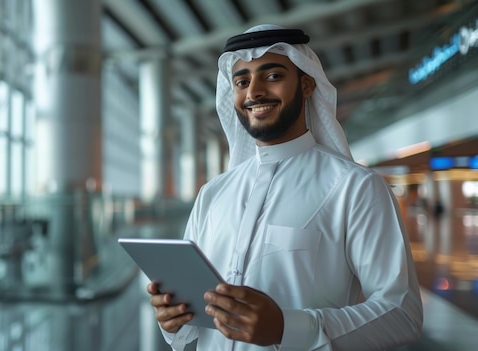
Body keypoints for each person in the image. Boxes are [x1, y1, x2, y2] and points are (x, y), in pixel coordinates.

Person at [147, 24, 423, 351]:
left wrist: (285, 328)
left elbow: (401, 313)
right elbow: (191, 327)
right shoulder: (213, 194)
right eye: (242, 82)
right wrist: (173, 319)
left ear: (307, 84)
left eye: (273, 76)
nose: (254, 92)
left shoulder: (355, 187)